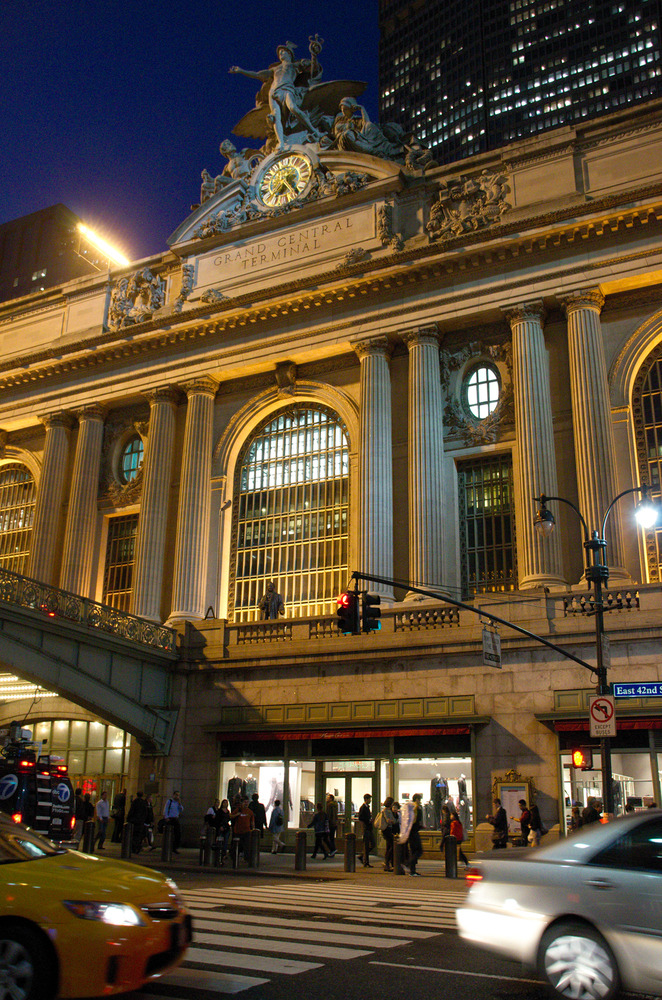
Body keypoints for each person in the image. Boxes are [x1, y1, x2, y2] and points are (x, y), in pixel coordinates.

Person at [230, 43, 323, 149]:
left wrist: (314, 55)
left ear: (289, 53)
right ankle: (281, 143)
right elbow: (258, 74)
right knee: (275, 117)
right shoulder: (275, 68)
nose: (280, 54)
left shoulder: (295, 65)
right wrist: (241, 71)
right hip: (274, 92)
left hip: (288, 89)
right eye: (279, 53)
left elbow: (313, 68)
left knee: (293, 108)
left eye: (282, 52)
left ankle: (313, 130)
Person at [231, 797, 255, 862]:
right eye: (245, 802)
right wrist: (236, 814)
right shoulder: (238, 810)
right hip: (238, 831)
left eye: (247, 802)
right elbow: (231, 816)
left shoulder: (250, 812)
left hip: (247, 831)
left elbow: (252, 821)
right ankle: (235, 857)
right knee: (237, 845)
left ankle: (247, 857)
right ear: (242, 803)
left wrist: (253, 829)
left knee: (247, 845)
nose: (246, 804)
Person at [407, 793, 424, 875]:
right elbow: (415, 820)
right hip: (413, 832)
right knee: (418, 850)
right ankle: (410, 864)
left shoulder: (411, 807)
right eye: (419, 799)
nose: (420, 801)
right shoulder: (416, 808)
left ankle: (412, 870)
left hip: (411, 831)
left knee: (414, 850)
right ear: (416, 799)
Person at [357, 793, 374, 867]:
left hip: (368, 828)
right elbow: (361, 818)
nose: (370, 800)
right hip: (366, 828)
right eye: (369, 799)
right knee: (367, 845)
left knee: (372, 844)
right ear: (366, 799)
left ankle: (363, 856)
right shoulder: (363, 808)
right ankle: (365, 861)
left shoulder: (366, 807)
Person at [380, 796, 396, 871]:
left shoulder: (387, 810)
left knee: (389, 845)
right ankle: (386, 861)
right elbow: (388, 820)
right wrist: (393, 821)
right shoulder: (386, 811)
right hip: (387, 829)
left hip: (388, 829)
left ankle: (387, 862)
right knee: (392, 845)